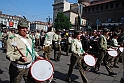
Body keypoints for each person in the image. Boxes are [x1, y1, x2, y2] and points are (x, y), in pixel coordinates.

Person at [6, 17, 43, 83]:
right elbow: (8, 54)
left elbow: (32, 50)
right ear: (18, 28)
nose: (25, 30)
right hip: (17, 68)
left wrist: (37, 56)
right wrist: (19, 58)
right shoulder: (12, 39)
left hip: (29, 67)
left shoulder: (29, 38)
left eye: (26, 28)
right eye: (23, 28)